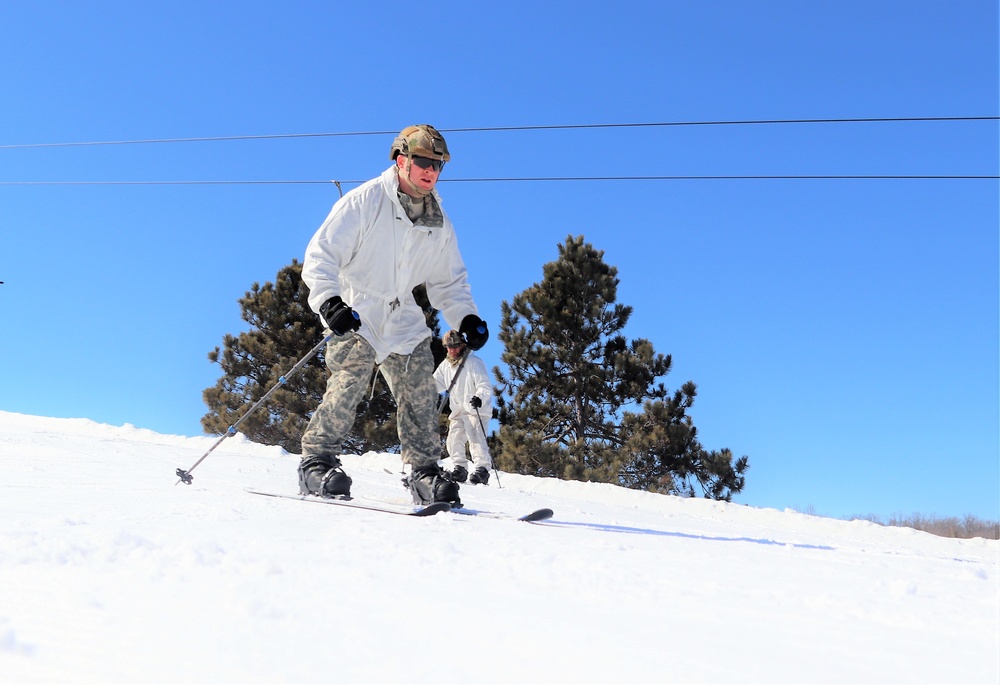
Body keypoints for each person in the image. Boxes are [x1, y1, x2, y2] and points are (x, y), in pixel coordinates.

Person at [297, 124, 488, 508]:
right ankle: (316, 461)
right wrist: (329, 302)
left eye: (437, 165)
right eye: (422, 161)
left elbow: (448, 282)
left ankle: (424, 472)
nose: (430, 171)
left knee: (420, 385)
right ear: (401, 160)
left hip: (402, 315)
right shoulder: (366, 201)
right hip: (358, 307)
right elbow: (321, 256)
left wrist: (465, 318)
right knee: (350, 378)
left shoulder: (439, 223)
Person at [434, 330, 494, 485]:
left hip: (475, 409)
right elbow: (436, 383)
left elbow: (485, 385)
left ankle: (482, 469)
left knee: (476, 438)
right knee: (453, 440)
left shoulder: (473, 362)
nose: (452, 350)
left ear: (462, 345)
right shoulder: (445, 366)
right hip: (458, 409)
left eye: (455, 346)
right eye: (449, 346)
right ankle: (460, 468)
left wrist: (479, 397)